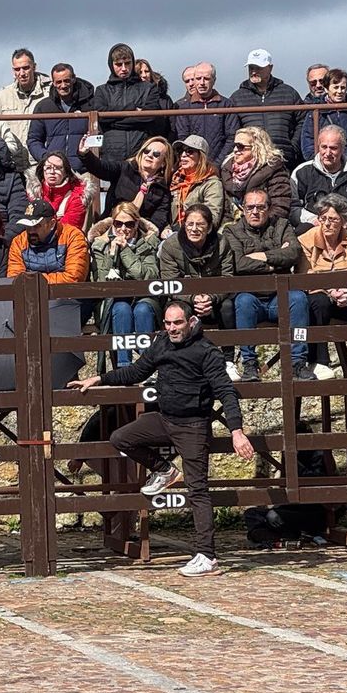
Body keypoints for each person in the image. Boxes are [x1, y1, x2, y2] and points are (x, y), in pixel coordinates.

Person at [71, 302, 256, 578]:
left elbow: (226, 392)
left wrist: (236, 431)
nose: (172, 328)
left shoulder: (207, 352)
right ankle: (165, 469)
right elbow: (136, 372)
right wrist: (99, 378)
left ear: (191, 321)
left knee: (197, 490)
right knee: (121, 437)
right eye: (168, 323)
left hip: (193, 425)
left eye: (177, 323)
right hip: (164, 419)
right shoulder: (161, 344)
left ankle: (207, 556)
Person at [222, 188, 314, 381]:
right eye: (250, 207)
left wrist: (262, 256)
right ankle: (249, 364)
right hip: (251, 296)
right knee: (243, 302)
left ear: (269, 208)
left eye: (260, 207)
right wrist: (275, 262)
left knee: (298, 298)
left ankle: (297, 362)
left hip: (279, 296)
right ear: (242, 209)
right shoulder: (232, 230)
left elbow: (293, 253)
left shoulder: (282, 225)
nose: (255, 212)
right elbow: (238, 263)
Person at [297, 195, 347, 379]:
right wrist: (330, 290)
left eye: (333, 219)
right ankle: (318, 362)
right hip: (320, 292)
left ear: (343, 221)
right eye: (323, 218)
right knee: (317, 302)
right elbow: (306, 274)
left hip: (345, 292)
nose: (327, 223)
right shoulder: (306, 239)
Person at [87, 203, 162, 367]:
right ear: (112, 223)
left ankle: (146, 365)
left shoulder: (149, 243)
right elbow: (102, 282)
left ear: (136, 223)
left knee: (142, 310)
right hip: (112, 302)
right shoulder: (100, 245)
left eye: (129, 224)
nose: (123, 229)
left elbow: (147, 276)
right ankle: (124, 366)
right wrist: (111, 254)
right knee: (121, 309)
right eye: (118, 223)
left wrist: (126, 252)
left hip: (144, 297)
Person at [158, 204, 232, 330]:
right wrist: (193, 298)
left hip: (212, 298)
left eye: (200, 224)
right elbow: (169, 282)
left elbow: (227, 277)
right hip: (183, 298)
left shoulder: (222, 243)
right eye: (190, 224)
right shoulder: (170, 246)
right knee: (175, 310)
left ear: (209, 227)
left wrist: (211, 297)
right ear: (184, 225)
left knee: (227, 306)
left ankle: (228, 349)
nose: (194, 229)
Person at [92, 43, 167, 165]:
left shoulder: (149, 88)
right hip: (112, 154)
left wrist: (114, 121)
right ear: (111, 65)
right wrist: (133, 109)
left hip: (141, 152)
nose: (123, 68)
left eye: (127, 63)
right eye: (118, 64)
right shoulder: (101, 90)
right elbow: (102, 118)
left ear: (132, 63)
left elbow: (149, 116)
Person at [228, 49, 304, 169]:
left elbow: (303, 121)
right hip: (250, 159)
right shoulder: (237, 97)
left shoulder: (289, 93)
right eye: (251, 67)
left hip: (284, 158)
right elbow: (232, 129)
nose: (253, 71)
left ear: (270, 68)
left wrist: (292, 146)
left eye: (258, 67)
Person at [80, 133, 173, 230]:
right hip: (112, 227)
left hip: (139, 233)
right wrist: (85, 154)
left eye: (156, 154)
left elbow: (159, 219)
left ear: (163, 163)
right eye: (146, 151)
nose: (149, 155)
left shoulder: (162, 188)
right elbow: (101, 168)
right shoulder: (125, 168)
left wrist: (140, 234)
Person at [291, 125, 347, 231]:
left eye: (333, 148)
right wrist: (313, 220)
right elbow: (294, 207)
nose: (328, 153)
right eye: (324, 147)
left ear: (343, 148)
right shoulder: (301, 173)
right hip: (313, 230)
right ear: (318, 146)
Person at [7, 200, 89, 285]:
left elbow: (74, 278)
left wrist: (32, 281)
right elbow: (15, 280)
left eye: (36, 226)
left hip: (67, 295)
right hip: (31, 296)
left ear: (52, 223)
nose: (31, 231)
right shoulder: (19, 242)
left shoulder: (72, 236)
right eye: (28, 226)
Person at [301, 68, 347, 166]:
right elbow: (308, 141)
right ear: (326, 88)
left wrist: (344, 160)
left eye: (343, 87)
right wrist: (320, 162)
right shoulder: (315, 111)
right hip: (322, 167)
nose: (339, 91)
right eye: (336, 87)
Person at [221, 126, 292, 221]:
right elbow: (225, 209)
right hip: (232, 225)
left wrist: (254, 226)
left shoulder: (274, 169)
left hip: (264, 225)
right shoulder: (227, 170)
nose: (235, 150)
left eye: (240, 146)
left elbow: (280, 207)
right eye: (234, 145)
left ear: (256, 148)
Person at [29, 63, 96, 164]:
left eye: (67, 81)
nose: (63, 85)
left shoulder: (90, 105)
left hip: (84, 171)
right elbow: (34, 139)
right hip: (54, 171)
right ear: (53, 83)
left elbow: (100, 135)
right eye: (59, 82)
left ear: (74, 79)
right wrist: (46, 158)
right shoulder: (43, 107)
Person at [173, 63, 235, 161]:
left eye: (206, 78)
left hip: (220, 166)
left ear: (214, 80)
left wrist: (217, 164)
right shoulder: (184, 107)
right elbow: (182, 137)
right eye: (198, 78)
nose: (202, 82)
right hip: (194, 164)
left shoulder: (226, 105)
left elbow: (232, 137)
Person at [169, 135, 226, 231]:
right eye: (181, 151)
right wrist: (165, 228)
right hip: (173, 231)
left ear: (201, 157)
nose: (183, 155)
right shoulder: (175, 179)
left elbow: (212, 218)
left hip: (196, 233)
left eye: (189, 151)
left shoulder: (212, 184)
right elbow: (165, 211)